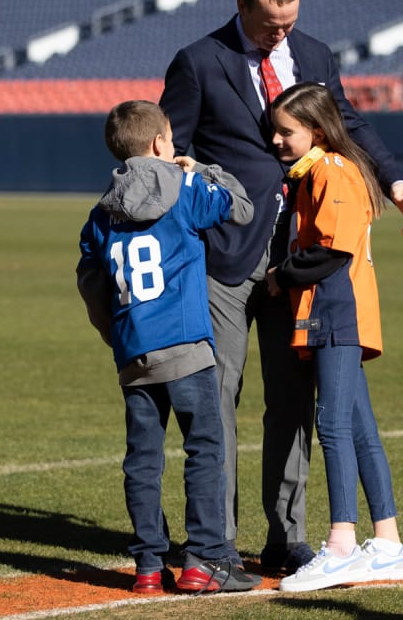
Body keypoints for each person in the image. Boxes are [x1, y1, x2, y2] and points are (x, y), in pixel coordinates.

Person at [159, 0, 403, 573]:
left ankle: (286, 538)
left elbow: (345, 122)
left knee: (293, 400)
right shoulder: (197, 61)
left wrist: (393, 177)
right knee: (219, 396)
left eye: (290, 21)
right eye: (272, 23)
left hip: (300, 258)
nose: (282, 33)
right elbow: (170, 150)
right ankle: (215, 542)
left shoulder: (316, 56)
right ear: (244, 5)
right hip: (223, 257)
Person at [77, 100, 261, 594]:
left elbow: (90, 282)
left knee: (143, 460)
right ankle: (202, 562)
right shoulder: (184, 190)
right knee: (204, 449)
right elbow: (242, 207)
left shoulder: (101, 212)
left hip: (134, 353)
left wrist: (115, 335)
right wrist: (199, 167)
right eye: (172, 139)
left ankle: (148, 568)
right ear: (160, 143)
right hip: (185, 348)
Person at [264, 83, 403, 592]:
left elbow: (332, 250)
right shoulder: (313, 174)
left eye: (287, 131)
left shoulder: (333, 171)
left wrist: (280, 275)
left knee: (332, 427)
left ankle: (342, 545)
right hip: (329, 310)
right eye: (275, 131)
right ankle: (389, 544)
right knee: (358, 426)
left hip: (336, 312)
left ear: (319, 130)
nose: (278, 140)